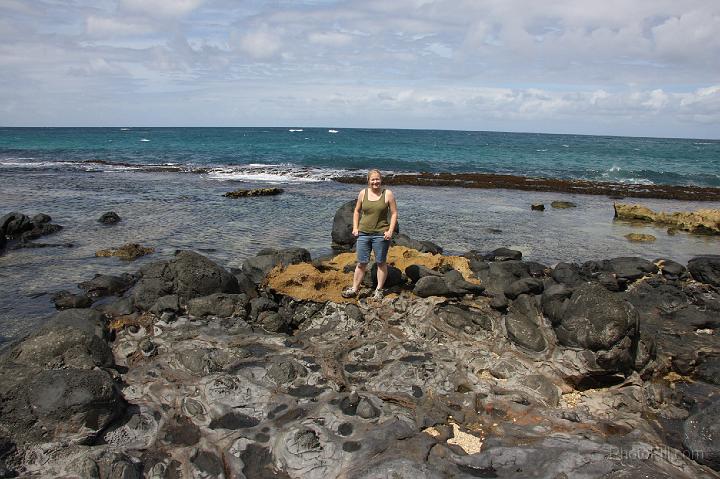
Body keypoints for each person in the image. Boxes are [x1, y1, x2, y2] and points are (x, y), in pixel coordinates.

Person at [342, 169, 398, 300]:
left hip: (381, 234)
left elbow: (394, 213)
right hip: (363, 234)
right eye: (372, 179)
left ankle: (379, 290)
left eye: (377, 179)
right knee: (361, 263)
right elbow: (356, 211)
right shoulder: (363, 193)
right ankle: (355, 289)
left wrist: (390, 231)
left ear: (381, 180)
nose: (375, 182)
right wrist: (355, 227)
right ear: (368, 181)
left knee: (380, 262)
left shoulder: (387, 194)